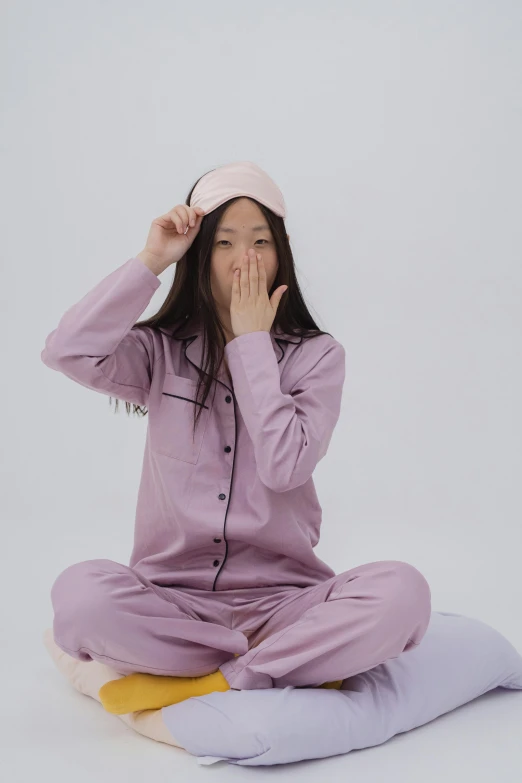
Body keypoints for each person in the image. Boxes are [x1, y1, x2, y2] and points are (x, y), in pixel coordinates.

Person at [42, 160, 432, 715]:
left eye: (259, 241)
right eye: (223, 242)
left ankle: (212, 680)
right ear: (200, 255)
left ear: (282, 252)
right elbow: (67, 351)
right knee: (80, 597)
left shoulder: (317, 357)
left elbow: (284, 468)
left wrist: (252, 345)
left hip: (286, 602)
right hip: (172, 601)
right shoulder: (161, 351)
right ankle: (281, 664)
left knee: (403, 593)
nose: (244, 258)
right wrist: (153, 258)